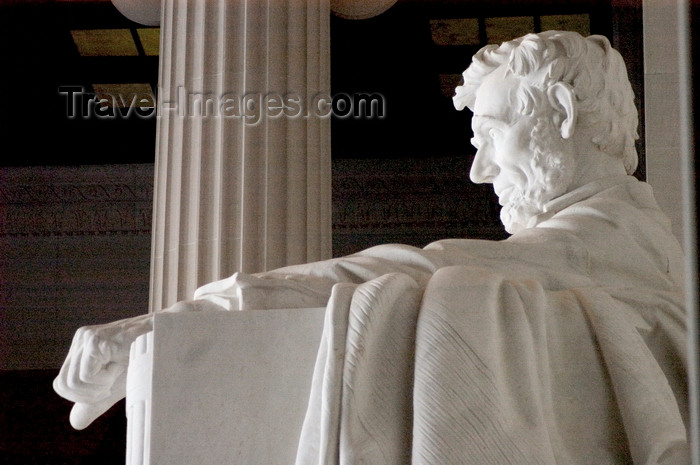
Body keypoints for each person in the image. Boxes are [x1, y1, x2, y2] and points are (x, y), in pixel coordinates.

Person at [54, 31, 689, 464]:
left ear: (561, 110)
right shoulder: (621, 240)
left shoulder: (614, 237)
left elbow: (421, 265)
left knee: (451, 293)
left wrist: (177, 321)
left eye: (493, 134)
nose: (481, 171)